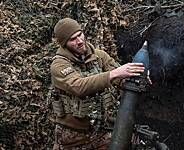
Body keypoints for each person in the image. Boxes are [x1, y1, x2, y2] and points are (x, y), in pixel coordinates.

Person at [50, 17, 145, 150]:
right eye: (73, 39)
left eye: (80, 34)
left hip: (101, 129)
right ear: (64, 44)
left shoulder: (99, 56)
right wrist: (114, 74)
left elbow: (121, 79)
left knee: (132, 142)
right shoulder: (59, 65)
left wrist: (136, 77)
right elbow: (79, 87)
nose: (80, 41)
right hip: (73, 136)